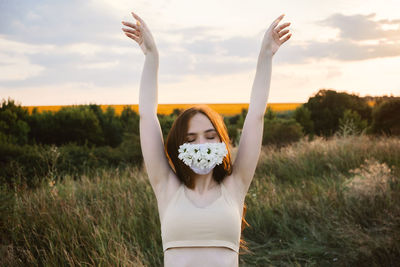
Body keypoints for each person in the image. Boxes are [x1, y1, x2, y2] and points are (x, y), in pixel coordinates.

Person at [122, 11, 291, 267]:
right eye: (191, 139)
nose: (201, 145)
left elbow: (256, 115)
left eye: (210, 136)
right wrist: (151, 56)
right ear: (179, 148)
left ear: (221, 142)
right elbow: (147, 116)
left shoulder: (235, 187)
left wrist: (266, 55)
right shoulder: (166, 187)